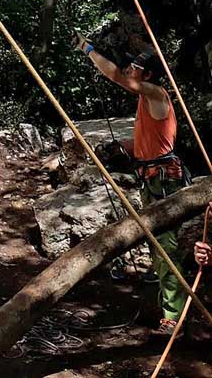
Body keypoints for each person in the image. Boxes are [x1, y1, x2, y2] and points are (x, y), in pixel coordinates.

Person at [73, 33, 190, 335]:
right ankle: (165, 305)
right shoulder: (146, 100)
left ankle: (175, 317)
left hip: (164, 181)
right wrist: (122, 146)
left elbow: (116, 76)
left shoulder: (155, 93)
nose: (130, 69)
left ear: (148, 75)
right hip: (152, 177)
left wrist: (89, 51)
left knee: (166, 245)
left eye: (136, 66)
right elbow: (150, 142)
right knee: (157, 244)